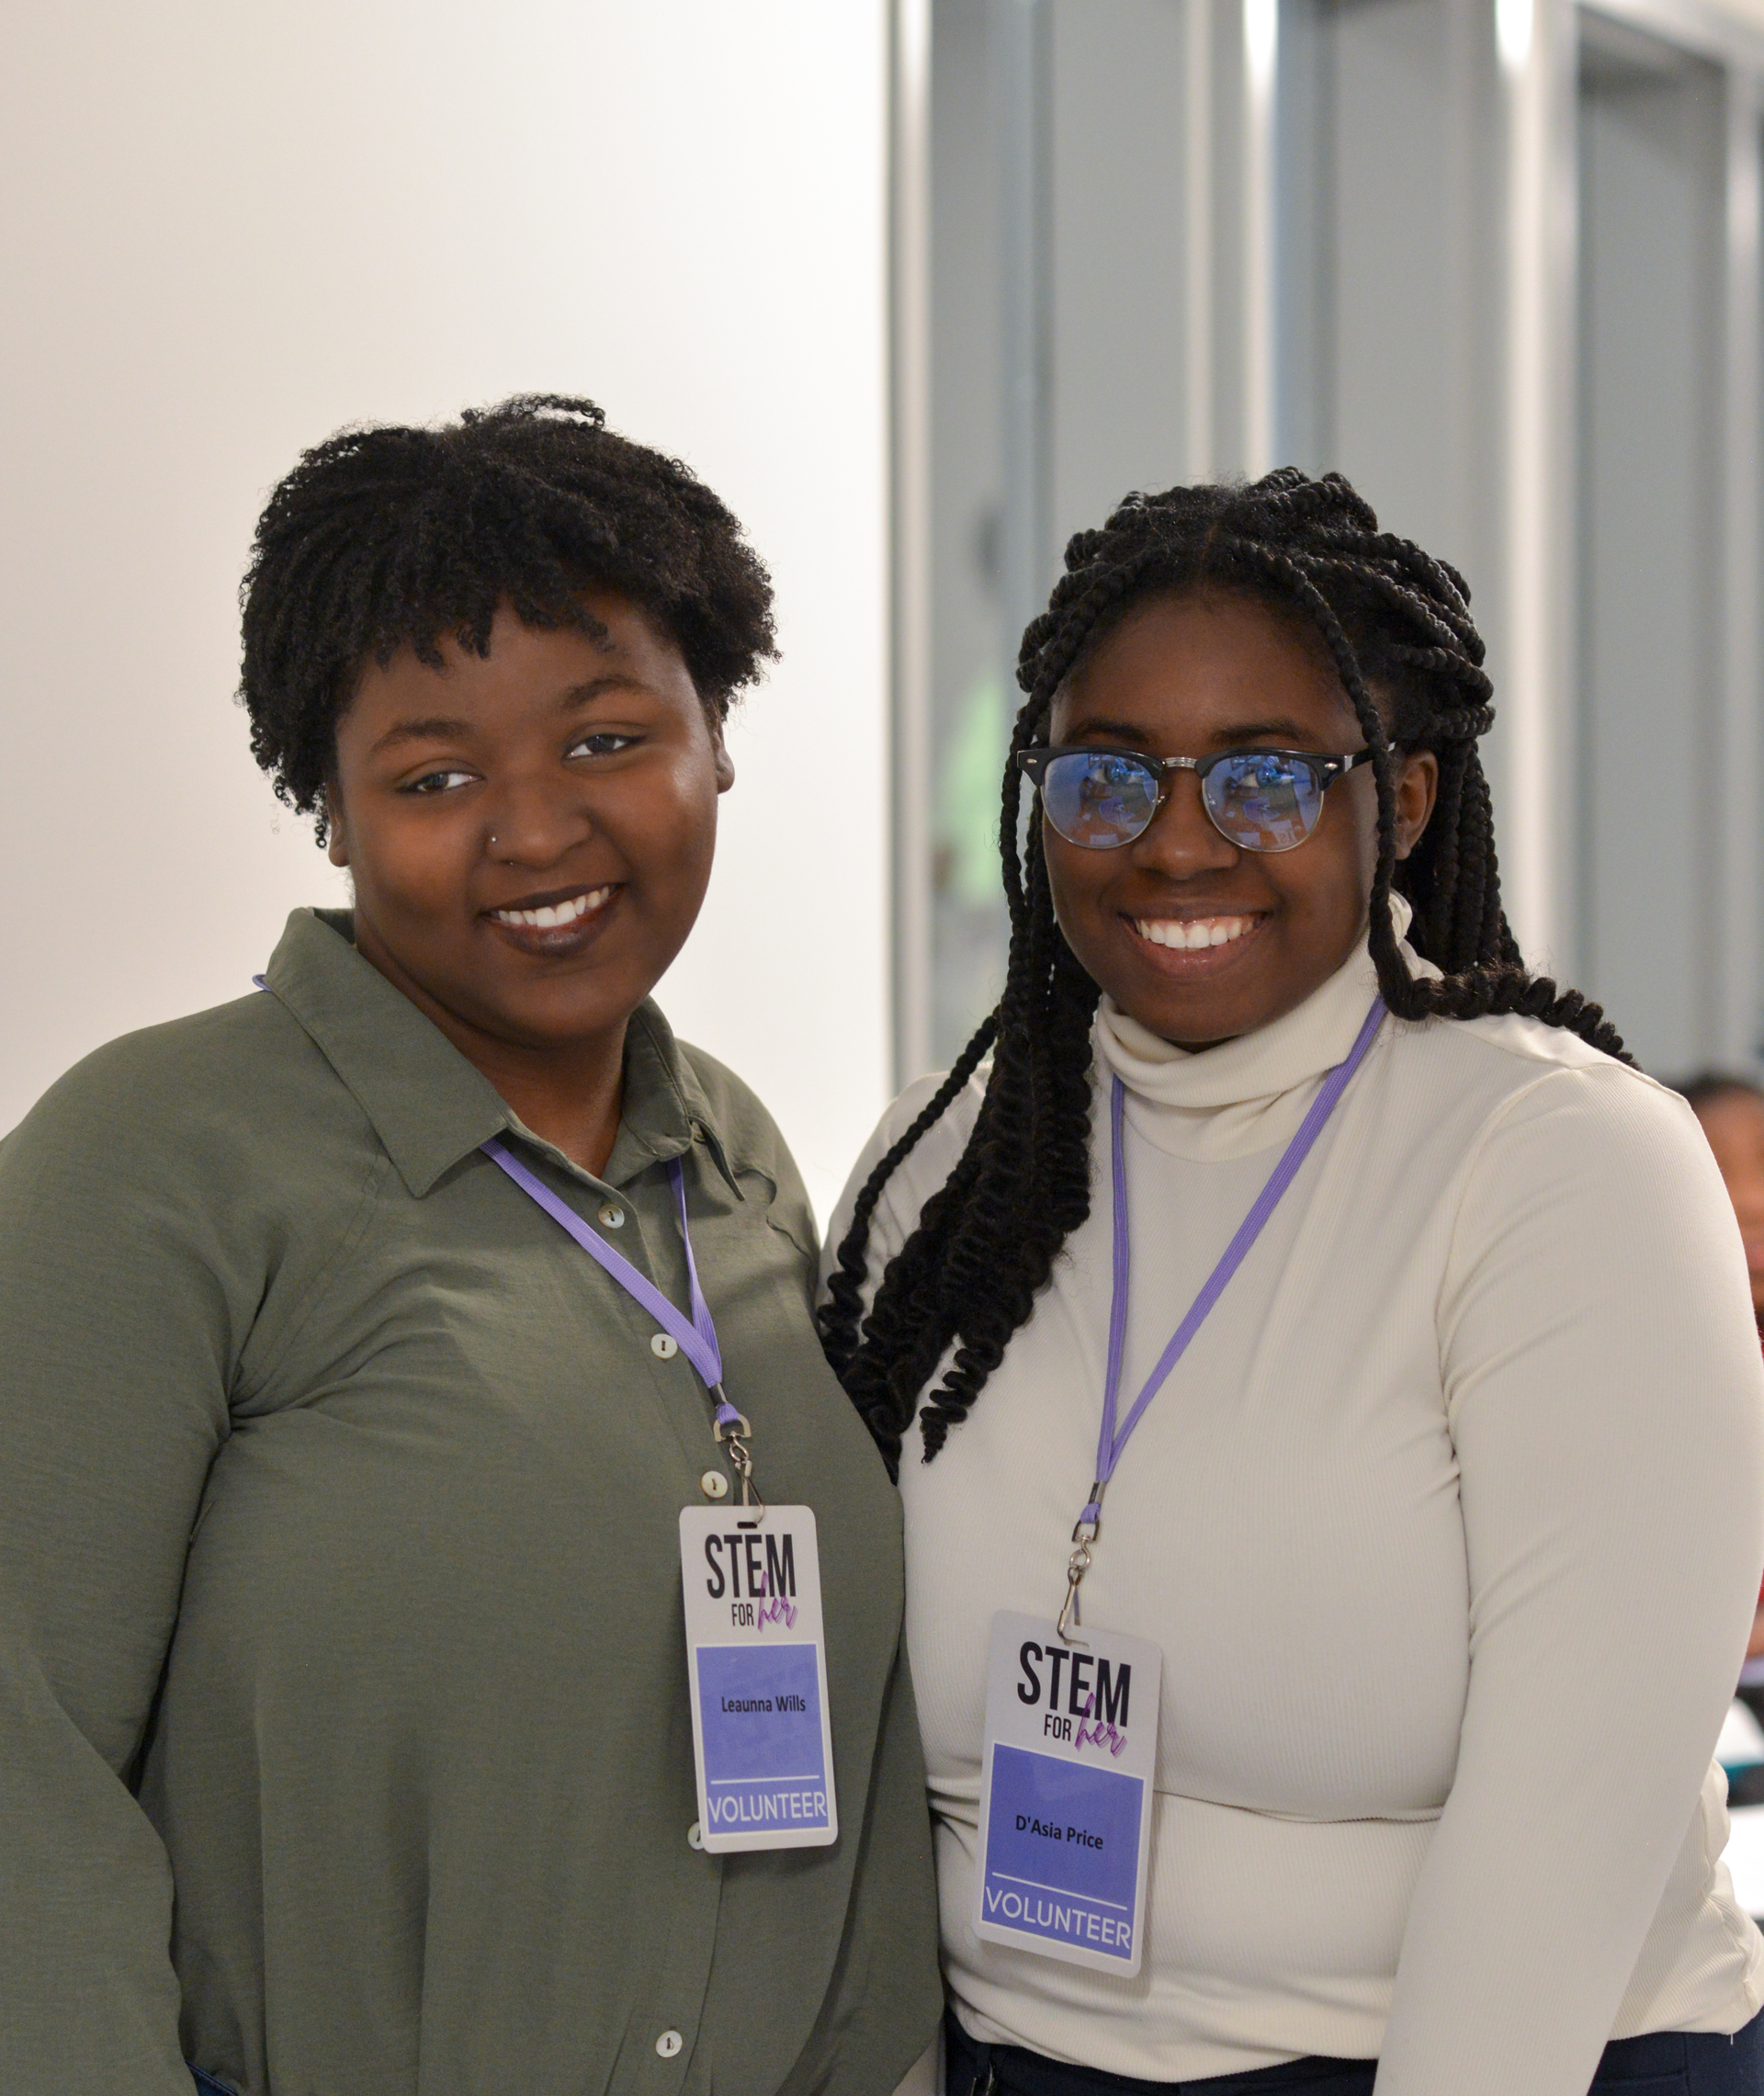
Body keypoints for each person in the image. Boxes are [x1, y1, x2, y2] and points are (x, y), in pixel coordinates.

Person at [0, 396, 941, 2094]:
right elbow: (21, 1775)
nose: (534, 832)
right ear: (331, 809)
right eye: (436, 777)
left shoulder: (731, 1159)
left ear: (715, 734)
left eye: (603, 741)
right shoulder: (150, 1165)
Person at [821, 471, 1764, 2096]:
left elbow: (1561, 1853)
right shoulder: (942, 1162)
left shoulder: (1559, 1166)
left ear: (1398, 798)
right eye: (1108, 777)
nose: (1180, 843)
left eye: (1266, 777)